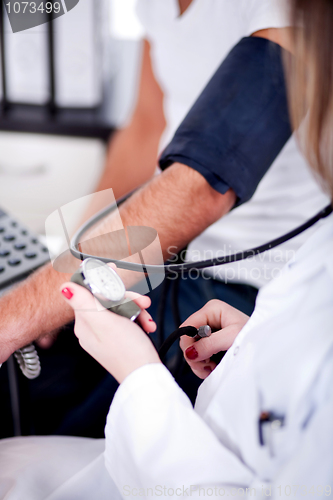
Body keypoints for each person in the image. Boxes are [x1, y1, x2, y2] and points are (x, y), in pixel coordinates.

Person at [0, 0, 332, 496]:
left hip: (254, 281)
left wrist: (17, 315)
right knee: (37, 383)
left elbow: (204, 181)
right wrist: (59, 276)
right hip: (170, 257)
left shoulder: (289, 10)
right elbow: (145, 131)